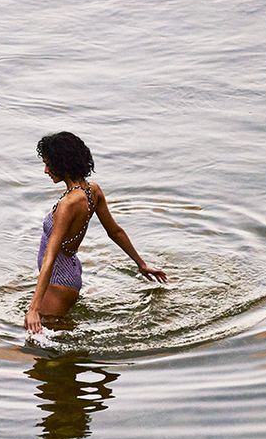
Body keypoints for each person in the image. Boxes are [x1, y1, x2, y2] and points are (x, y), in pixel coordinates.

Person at [25, 131, 167, 334]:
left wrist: (33, 308)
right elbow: (115, 231)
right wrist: (141, 264)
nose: (45, 170)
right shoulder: (93, 191)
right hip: (70, 273)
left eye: (49, 164)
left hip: (59, 279)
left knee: (46, 346)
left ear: (63, 164)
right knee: (57, 334)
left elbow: (50, 255)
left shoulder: (68, 204)